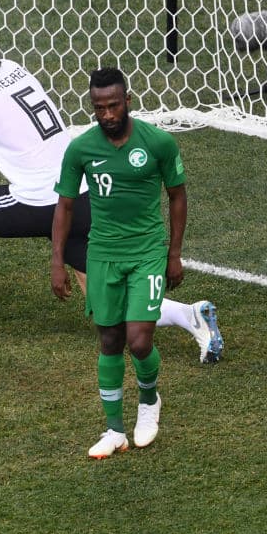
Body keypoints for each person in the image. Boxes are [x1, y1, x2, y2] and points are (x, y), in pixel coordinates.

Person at [0, 18, 223, 362]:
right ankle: (190, 315)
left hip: (39, 201)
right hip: (83, 194)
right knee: (100, 298)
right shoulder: (11, 67)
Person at [52, 67, 185, 458]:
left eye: (113, 105)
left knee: (139, 340)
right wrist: (57, 261)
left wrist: (173, 254)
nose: (107, 114)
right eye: (99, 108)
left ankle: (148, 402)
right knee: (109, 340)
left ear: (128, 101)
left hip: (146, 253)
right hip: (103, 255)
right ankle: (114, 430)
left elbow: (177, 196)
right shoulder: (81, 149)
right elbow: (64, 206)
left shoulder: (158, 142)